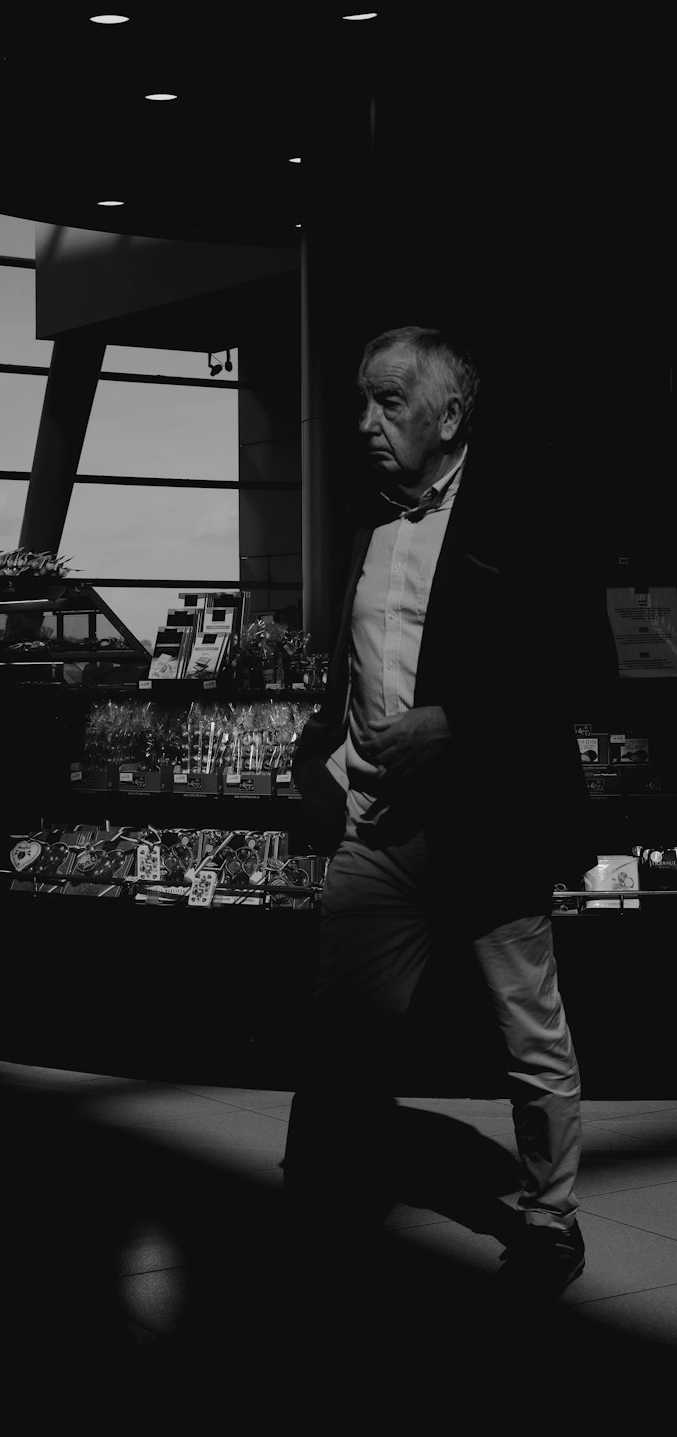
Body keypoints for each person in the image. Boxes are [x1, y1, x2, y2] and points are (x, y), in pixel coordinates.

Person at [286, 325, 617, 1300]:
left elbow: (579, 668)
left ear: (450, 414)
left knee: (530, 1033)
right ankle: (325, 1193)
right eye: (362, 400)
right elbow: (354, 668)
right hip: (375, 832)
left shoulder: (526, 516)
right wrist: (323, 761)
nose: (366, 421)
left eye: (388, 401)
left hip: (488, 827)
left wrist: (455, 724)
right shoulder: (367, 519)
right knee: (341, 1028)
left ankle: (549, 1219)